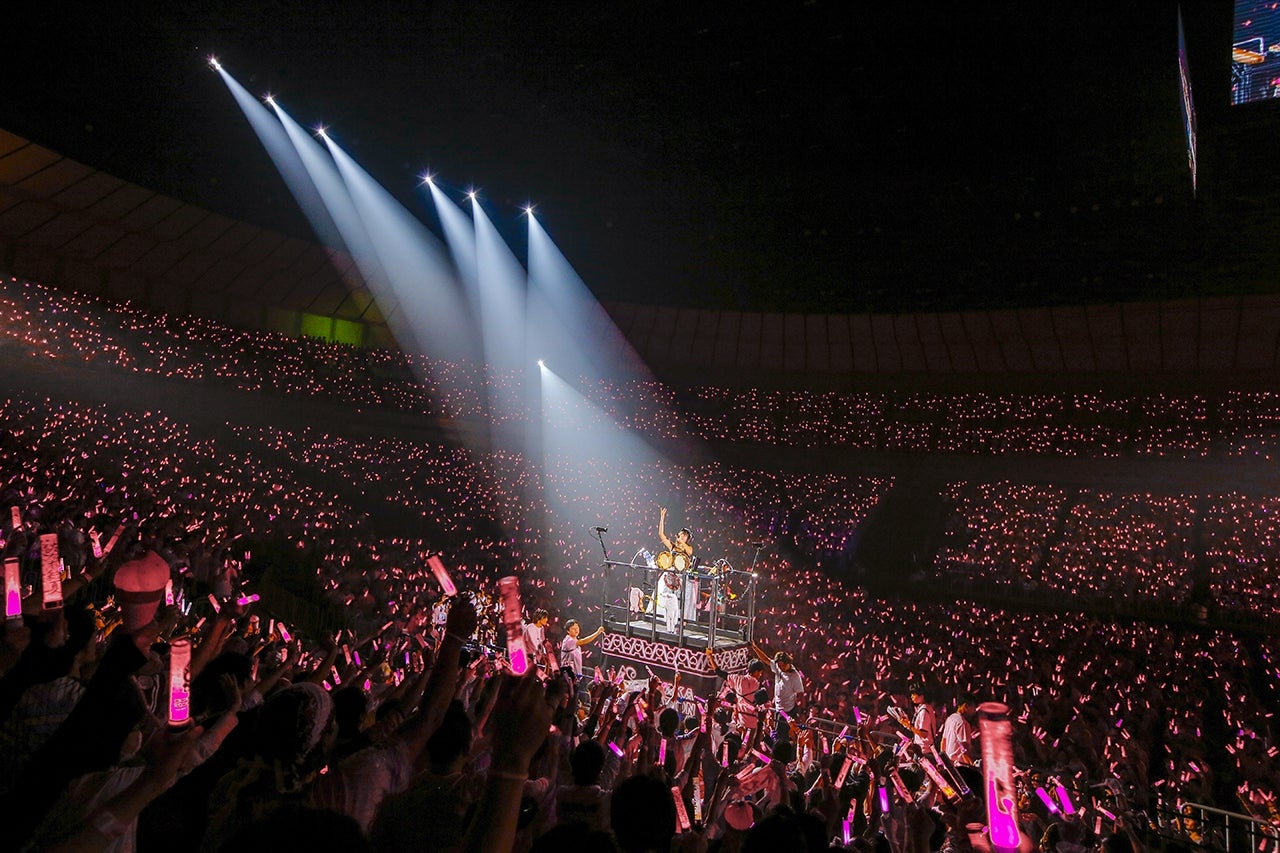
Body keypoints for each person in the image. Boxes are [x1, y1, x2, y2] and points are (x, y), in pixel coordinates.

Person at [657, 507, 698, 623]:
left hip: (682, 578)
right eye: (682, 535)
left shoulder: (688, 548)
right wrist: (662, 518)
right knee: (665, 597)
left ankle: (681, 620)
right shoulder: (672, 546)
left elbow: (690, 552)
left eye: (685, 536)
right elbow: (661, 534)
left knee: (682, 600)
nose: (683, 537)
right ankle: (663, 618)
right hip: (670, 576)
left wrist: (682, 543)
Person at [940, 693, 974, 765]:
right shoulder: (963, 723)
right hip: (960, 765)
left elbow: (943, 741)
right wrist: (972, 767)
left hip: (949, 763)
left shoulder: (950, 718)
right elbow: (964, 751)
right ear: (966, 706)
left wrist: (943, 762)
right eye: (973, 707)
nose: (974, 710)